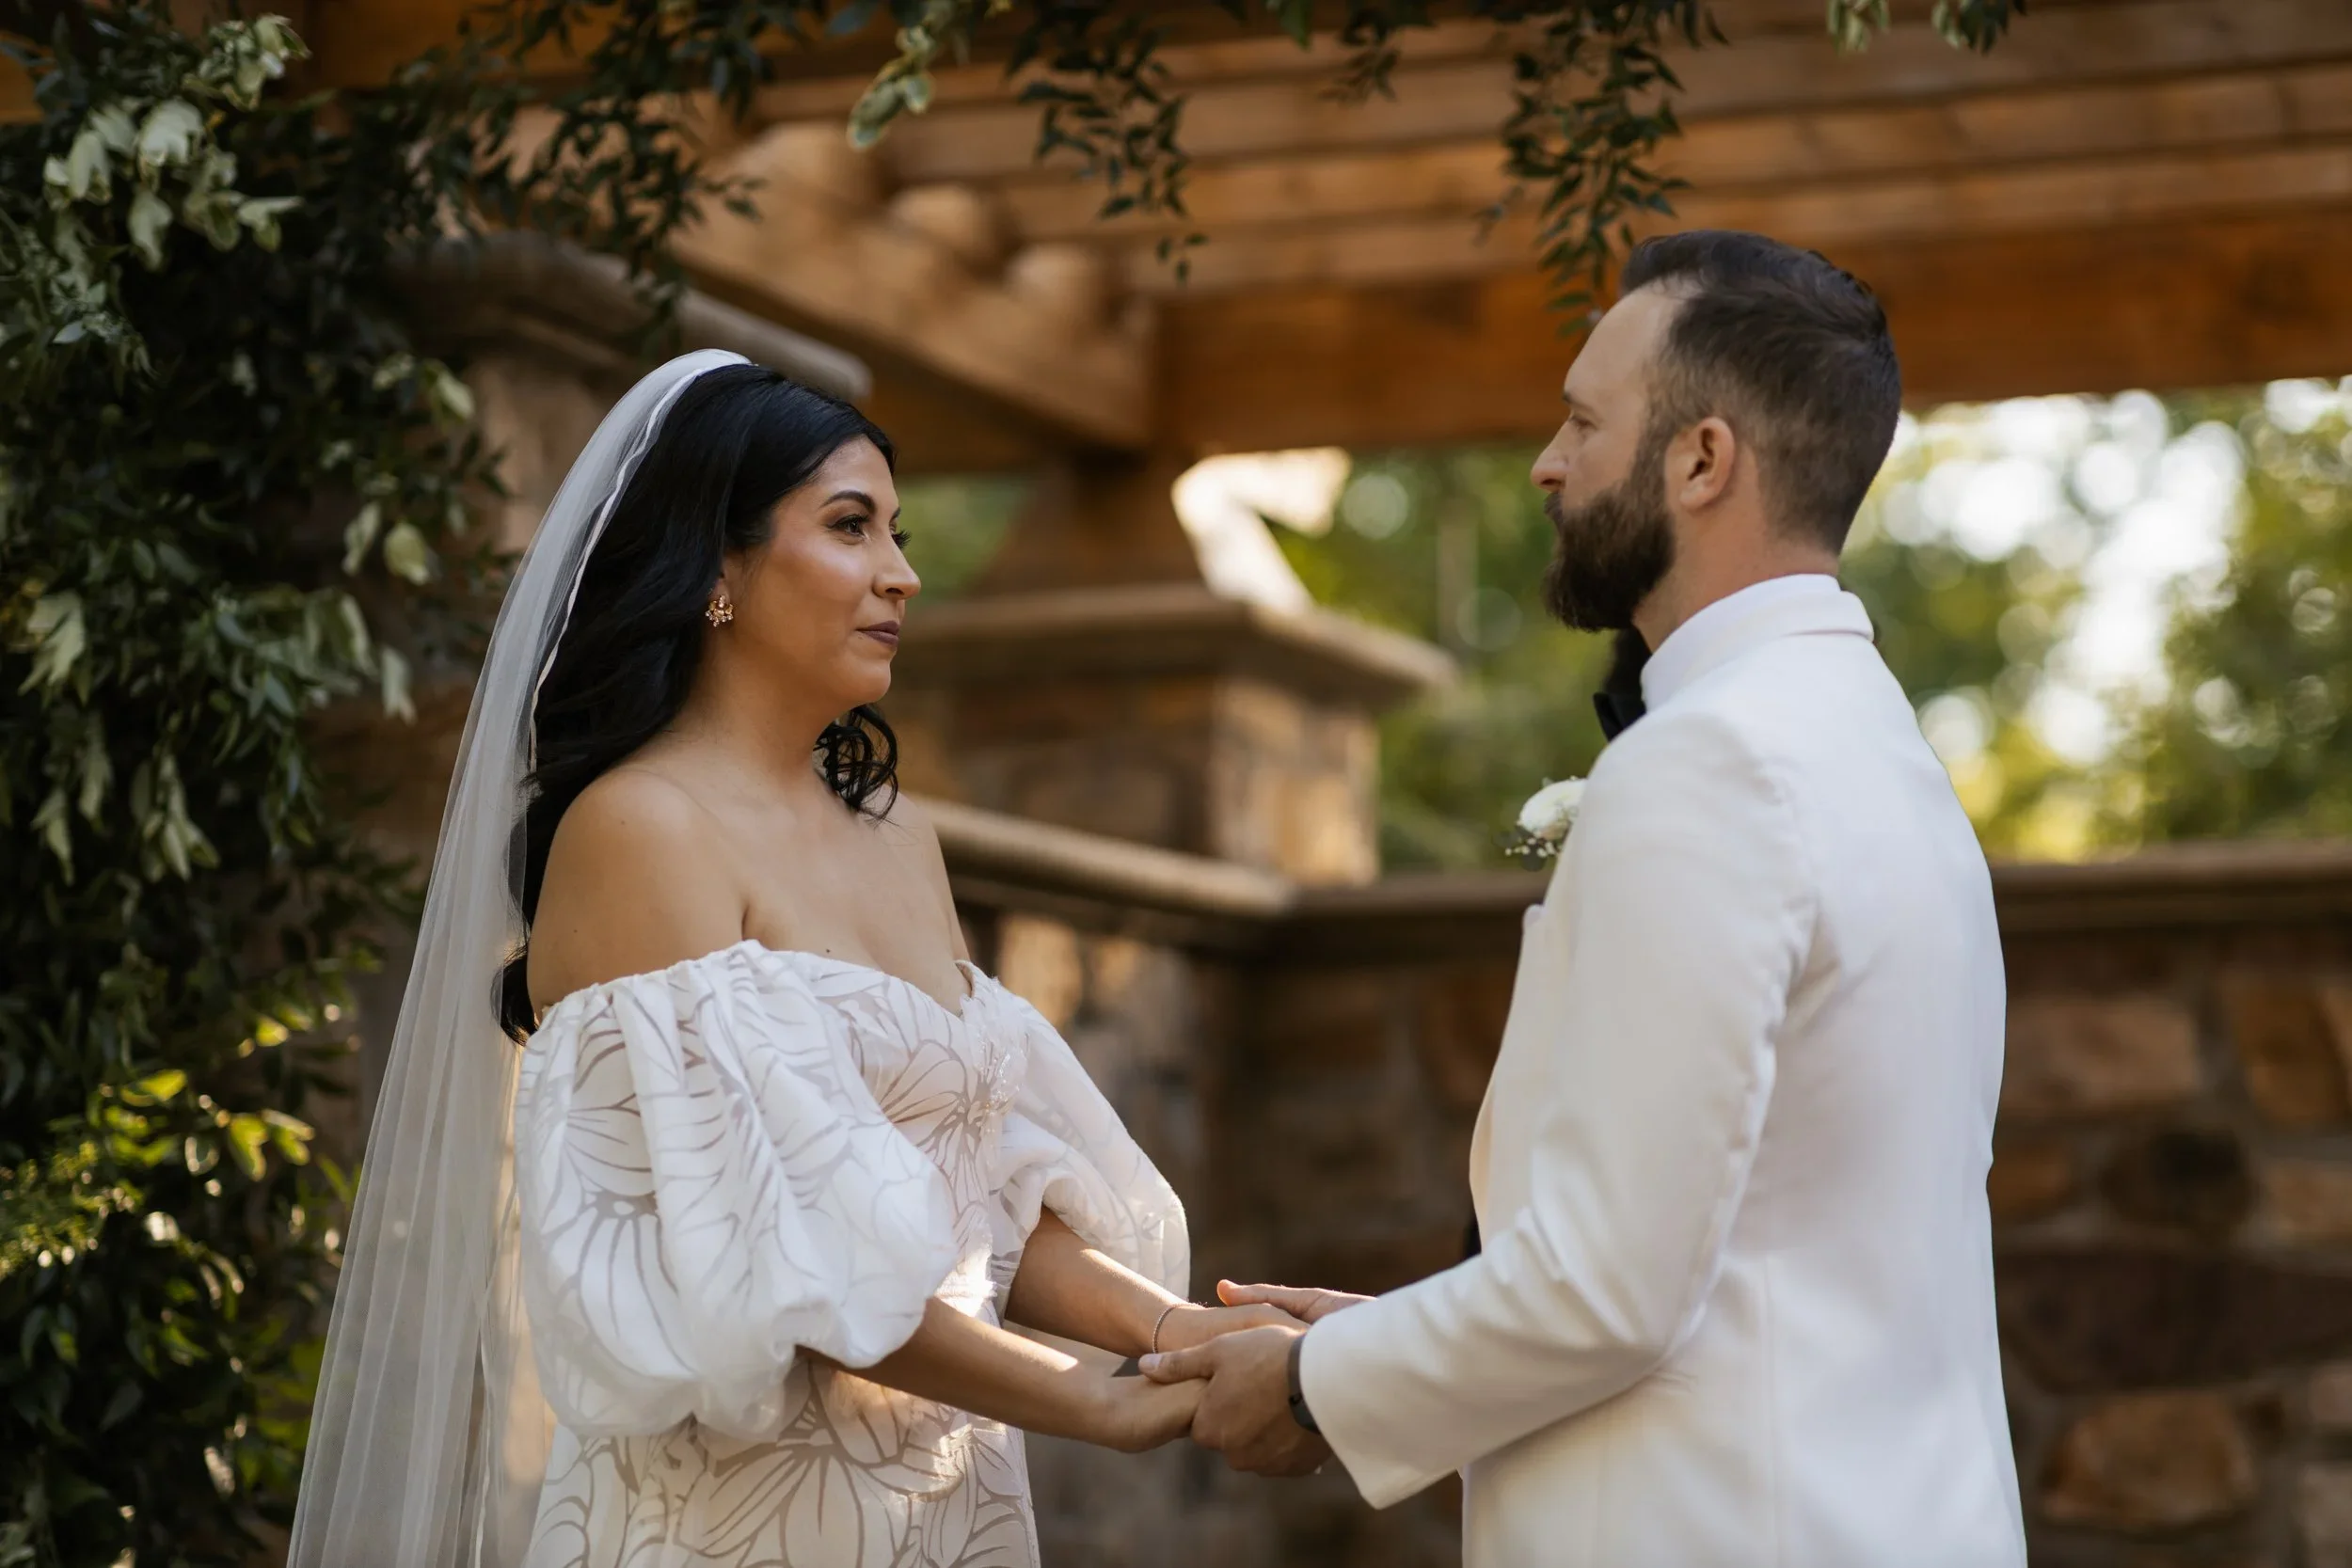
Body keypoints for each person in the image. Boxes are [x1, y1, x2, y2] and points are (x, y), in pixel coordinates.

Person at [289, 352, 1292, 1568]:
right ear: (719, 565)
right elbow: (773, 1256)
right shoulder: (641, 830)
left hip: (946, 1514)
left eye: (899, 531)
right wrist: (1086, 1398)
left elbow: (978, 1198)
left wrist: (1184, 1333)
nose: (903, 573)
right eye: (850, 526)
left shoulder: (899, 836)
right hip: (733, 1523)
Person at [1144, 230, 2029, 1568]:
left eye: (1580, 420)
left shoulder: (1710, 763)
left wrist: (1322, 1385)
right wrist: (1378, 1339)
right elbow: (1742, 1240)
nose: (1548, 464)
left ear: (1701, 459)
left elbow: (1614, 1289)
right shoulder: (1881, 753)